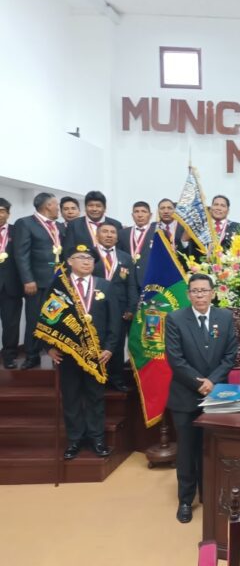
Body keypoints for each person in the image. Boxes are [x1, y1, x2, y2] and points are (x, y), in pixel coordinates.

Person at [165, 273, 237, 524]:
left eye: (204, 291)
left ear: (213, 293)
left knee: (213, 449)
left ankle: (210, 495)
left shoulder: (225, 317)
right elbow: (175, 359)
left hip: (217, 396)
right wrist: (200, 384)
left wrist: (212, 382)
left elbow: (230, 356)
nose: (199, 295)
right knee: (187, 450)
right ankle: (185, 500)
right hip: (185, 396)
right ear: (188, 295)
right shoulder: (175, 319)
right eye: (194, 291)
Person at [45, 244, 121, 461]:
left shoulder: (105, 286)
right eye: (81, 257)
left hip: (97, 354)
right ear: (69, 261)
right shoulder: (59, 285)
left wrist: (109, 348)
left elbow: (114, 320)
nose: (87, 261)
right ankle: (75, 440)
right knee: (71, 397)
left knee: (95, 397)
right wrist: (48, 347)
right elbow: (47, 317)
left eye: (89, 258)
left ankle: (97, 439)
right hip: (67, 353)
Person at [14, 192, 66, 369]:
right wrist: (28, 279)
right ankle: (32, 354)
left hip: (59, 283)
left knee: (57, 319)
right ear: (47, 206)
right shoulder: (25, 223)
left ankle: (56, 353)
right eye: (56, 204)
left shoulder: (59, 226)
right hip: (37, 283)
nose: (58, 208)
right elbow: (21, 254)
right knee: (35, 319)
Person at [93, 222, 138, 392]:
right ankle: (97, 378)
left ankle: (116, 379)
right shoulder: (89, 255)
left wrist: (131, 308)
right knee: (96, 341)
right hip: (95, 307)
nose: (109, 235)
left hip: (119, 308)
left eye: (113, 232)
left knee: (117, 344)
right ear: (97, 235)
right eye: (105, 231)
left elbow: (131, 285)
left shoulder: (125, 257)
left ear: (117, 237)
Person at [0, 198, 23, 369]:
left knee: (11, 324)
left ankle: (9, 356)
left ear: (8, 213)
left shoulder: (17, 231)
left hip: (11, 286)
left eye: (2, 210)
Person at [118, 201, 155, 291]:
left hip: (150, 280)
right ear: (132, 215)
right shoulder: (122, 233)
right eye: (136, 211)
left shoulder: (158, 233)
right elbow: (118, 255)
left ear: (150, 215)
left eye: (144, 211)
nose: (140, 215)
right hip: (127, 280)